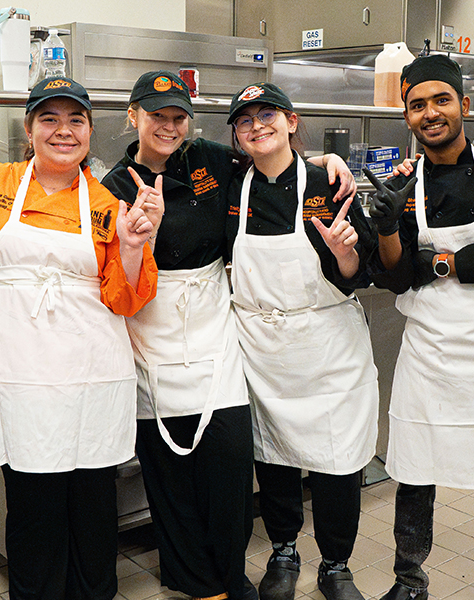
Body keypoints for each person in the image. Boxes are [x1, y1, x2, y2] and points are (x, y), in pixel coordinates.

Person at [100, 70, 357, 600]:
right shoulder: (115, 186)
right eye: (156, 116)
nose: (169, 127)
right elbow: (111, 270)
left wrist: (324, 163)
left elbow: (274, 164)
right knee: (170, 475)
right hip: (151, 328)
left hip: (216, 326)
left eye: (178, 117)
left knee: (230, 465)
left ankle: (233, 574)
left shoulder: (213, 160)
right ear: (134, 116)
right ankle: (197, 583)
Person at [0, 76, 159, 600]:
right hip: (19, 372)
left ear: (89, 131)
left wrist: (131, 246)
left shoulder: (109, 203)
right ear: (30, 128)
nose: (63, 132)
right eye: (50, 119)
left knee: (92, 507)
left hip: (90, 371)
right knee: (32, 505)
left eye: (76, 121)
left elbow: (126, 300)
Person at [367, 54, 474, 600]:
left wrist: (442, 265)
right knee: (415, 476)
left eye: (441, 100)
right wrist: (390, 225)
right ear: (407, 116)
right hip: (427, 354)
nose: (430, 113)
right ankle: (408, 581)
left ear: (463, 104)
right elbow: (396, 278)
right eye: (417, 105)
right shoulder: (404, 182)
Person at [225, 82, 378, 600]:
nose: (257, 126)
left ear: (291, 122)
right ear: (237, 136)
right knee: (274, 458)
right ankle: (284, 551)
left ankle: (337, 564)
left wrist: (345, 255)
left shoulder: (327, 182)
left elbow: (361, 272)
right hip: (263, 348)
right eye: (245, 120)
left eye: (268, 114)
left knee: (338, 462)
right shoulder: (231, 186)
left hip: (327, 343)